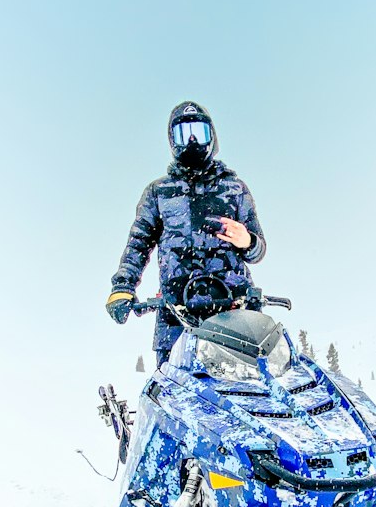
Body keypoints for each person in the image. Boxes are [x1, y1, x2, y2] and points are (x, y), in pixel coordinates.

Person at [106, 101, 266, 366]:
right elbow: (138, 244)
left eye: (199, 132)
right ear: (173, 141)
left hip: (235, 313)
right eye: (184, 133)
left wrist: (247, 240)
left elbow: (258, 250)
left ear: (211, 136)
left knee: (252, 391)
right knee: (175, 393)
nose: (192, 140)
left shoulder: (235, 189)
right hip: (177, 314)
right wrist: (122, 287)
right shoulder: (159, 192)